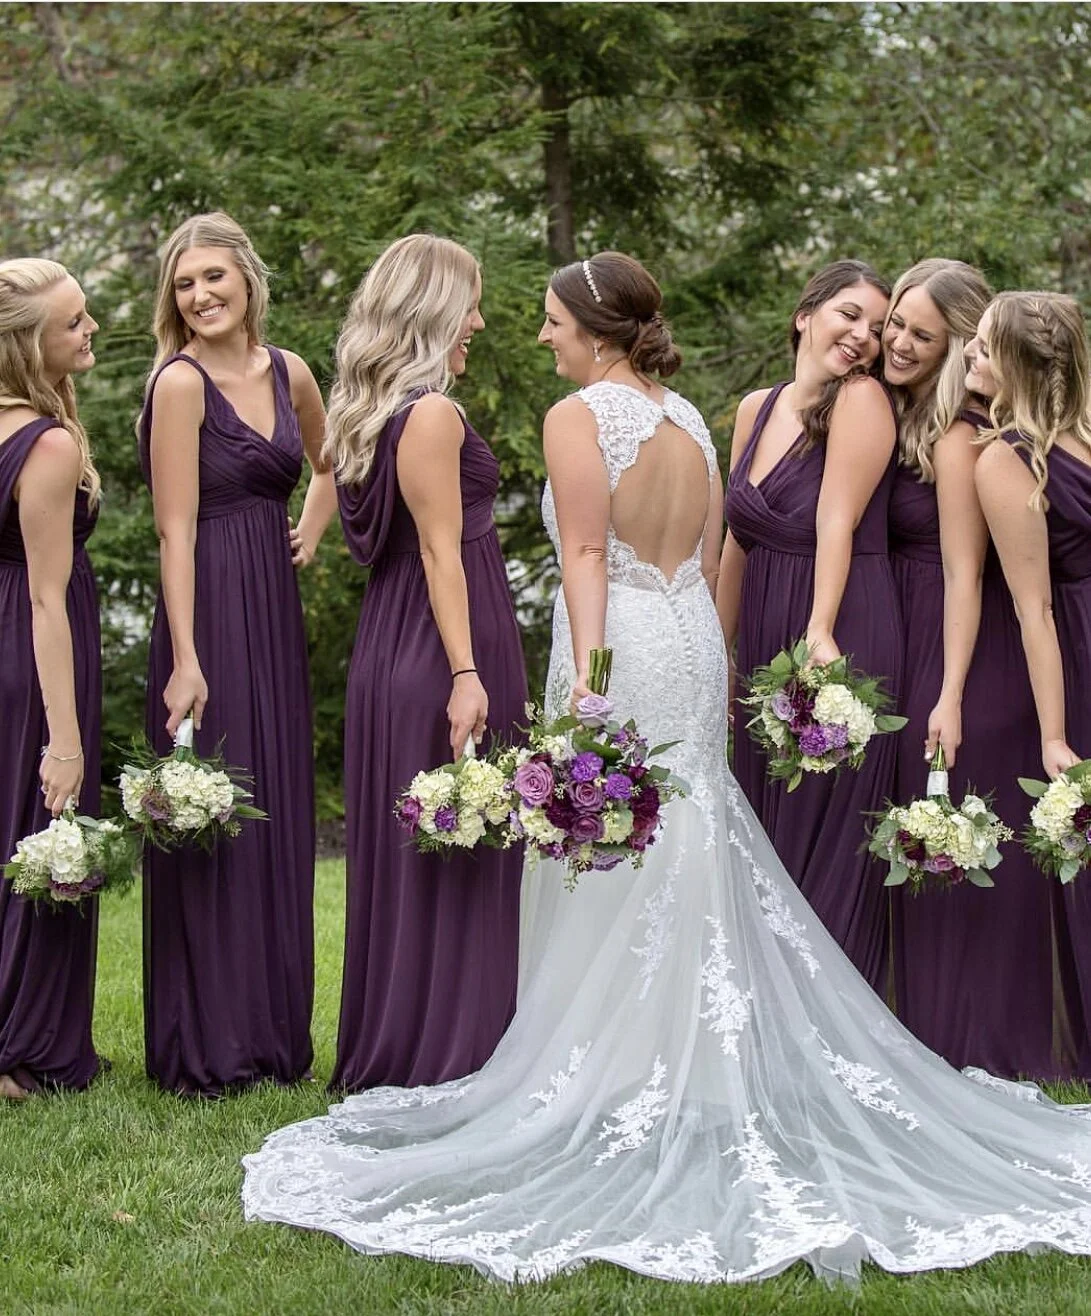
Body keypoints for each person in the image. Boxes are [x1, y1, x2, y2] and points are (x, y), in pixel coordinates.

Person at [244, 253, 1091, 1285]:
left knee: (613, 836)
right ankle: (675, 1059)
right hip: (689, 636)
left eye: (552, 321)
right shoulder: (688, 413)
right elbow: (697, 553)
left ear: (595, 330)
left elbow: (588, 561)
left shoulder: (580, 418)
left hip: (621, 647)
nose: (542, 336)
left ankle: (613, 1069)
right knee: (684, 831)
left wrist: (591, 690)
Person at [139, 212, 336, 1096]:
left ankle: (272, 1036)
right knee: (212, 812)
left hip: (273, 603)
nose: (201, 295)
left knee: (273, 811)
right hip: (207, 607)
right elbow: (172, 530)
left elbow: (332, 462)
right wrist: (185, 656)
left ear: (249, 279)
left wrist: (312, 528)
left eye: (214, 277)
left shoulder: (290, 370)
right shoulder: (179, 385)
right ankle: (208, 1045)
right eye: (185, 284)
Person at [324, 234, 528, 1092]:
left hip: (388, 642)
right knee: (461, 845)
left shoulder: (366, 412)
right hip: (443, 645)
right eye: (470, 302)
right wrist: (467, 672)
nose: (478, 320)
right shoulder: (430, 413)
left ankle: (407, 1040)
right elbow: (444, 555)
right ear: (435, 309)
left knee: (424, 851)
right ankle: (456, 1050)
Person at [884, 260, 1057, 1078]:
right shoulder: (919, 418)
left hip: (962, 644)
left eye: (923, 333)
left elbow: (966, 574)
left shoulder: (966, 439)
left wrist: (947, 690)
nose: (899, 342)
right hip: (924, 633)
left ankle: (974, 1039)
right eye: (896, 324)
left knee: (965, 823)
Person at [720, 260, 901, 995]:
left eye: (876, 328)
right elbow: (736, 539)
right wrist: (717, 650)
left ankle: (829, 1023)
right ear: (805, 313)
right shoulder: (752, 409)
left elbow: (838, 518)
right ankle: (769, 1013)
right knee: (764, 823)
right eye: (849, 315)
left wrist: (820, 631)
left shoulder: (860, 400)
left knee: (821, 830)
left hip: (838, 620)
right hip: (762, 626)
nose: (862, 337)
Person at [973, 290, 1091, 1076]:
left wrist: (1050, 736)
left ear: (1015, 361)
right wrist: (1053, 736)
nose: (968, 358)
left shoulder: (1013, 454)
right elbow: (1034, 606)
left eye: (980, 347)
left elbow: (1036, 610)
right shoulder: (1025, 454)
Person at [0, 258, 103, 1099]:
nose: (92, 328)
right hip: (31, 662)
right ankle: (23, 1045)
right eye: (73, 322)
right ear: (30, 346)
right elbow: (45, 598)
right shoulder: (48, 443)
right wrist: (64, 739)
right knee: (39, 832)